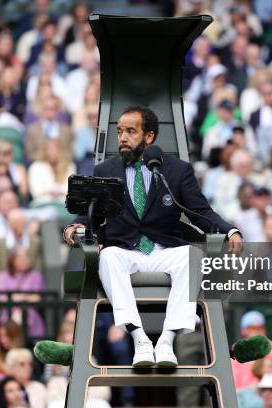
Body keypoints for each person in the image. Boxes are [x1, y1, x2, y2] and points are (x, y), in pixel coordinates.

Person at [64, 105, 242, 367]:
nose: (123, 138)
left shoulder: (176, 170)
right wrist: (73, 227)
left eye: (131, 131)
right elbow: (90, 213)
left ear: (149, 136)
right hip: (125, 250)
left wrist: (230, 230)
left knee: (192, 256)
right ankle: (140, 340)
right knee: (109, 257)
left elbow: (199, 211)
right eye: (120, 131)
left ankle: (167, 340)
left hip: (163, 251)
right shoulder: (105, 170)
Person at [0, 246, 46, 338]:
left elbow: (37, 298)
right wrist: (25, 297)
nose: (24, 260)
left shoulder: (35, 276)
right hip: (8, 315)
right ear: (12, 259)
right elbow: (1, 298)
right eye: (20, 257)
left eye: (27, 256)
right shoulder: (2, 277)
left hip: (30, 316)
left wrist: (16, 297)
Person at [232, 311, 272, 389]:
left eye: (260, 327)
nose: (257, 331)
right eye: (252, 328)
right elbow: (234, 384)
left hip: (270, 391)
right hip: (245, 395)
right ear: (243, 330)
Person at [27, 138, 75, 205]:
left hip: (63, 204)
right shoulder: (35, 167)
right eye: (50, 149)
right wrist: (51, 192)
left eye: (56, 149)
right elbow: (36, 192)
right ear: (45, 150)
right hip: (42, 203)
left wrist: (58, 192)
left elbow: (71, 191)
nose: (53, 152)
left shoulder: (70, 166)